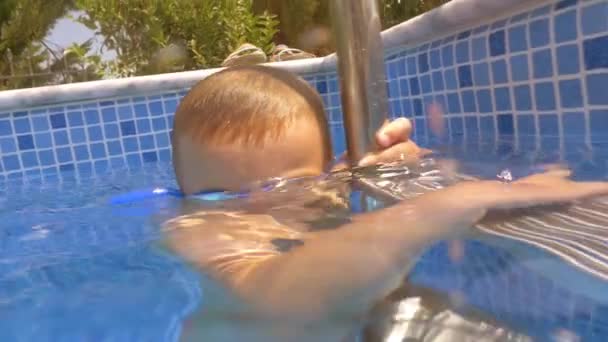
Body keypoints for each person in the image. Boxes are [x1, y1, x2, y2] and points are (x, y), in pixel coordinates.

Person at [165, 65, 608, 341]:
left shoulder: (329, 187)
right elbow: (274, 300)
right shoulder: (195, 231)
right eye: (222, 196)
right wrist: (443, 205)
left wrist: (408, 173)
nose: (262, 212)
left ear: (328, 170)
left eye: (290, 186)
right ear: (184, 197)